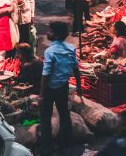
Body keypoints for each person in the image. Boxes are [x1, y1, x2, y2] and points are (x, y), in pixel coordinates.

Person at [40, 22, 81, 156]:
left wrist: (41, 95)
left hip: (50, 88)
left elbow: (45, 74)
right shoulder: (70, 48)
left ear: (56, 35)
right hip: (63, 86)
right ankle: (67, 143)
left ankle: (47, 148)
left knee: (45, 118)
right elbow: (76, 68)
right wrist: (79, 85)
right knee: (64, 114)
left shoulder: (50, 51)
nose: (47, 33)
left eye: (50, 31)